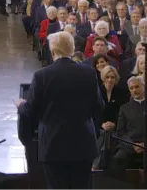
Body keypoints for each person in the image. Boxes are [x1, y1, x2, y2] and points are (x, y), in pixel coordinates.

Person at [16, 31, 104, 190]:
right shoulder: (89, 73)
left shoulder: (42, 76)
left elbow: (31, 111)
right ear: (72, 49)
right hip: (83, 144)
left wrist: (22, 105)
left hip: (53, 145)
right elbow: (98, 106)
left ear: (53, 51)